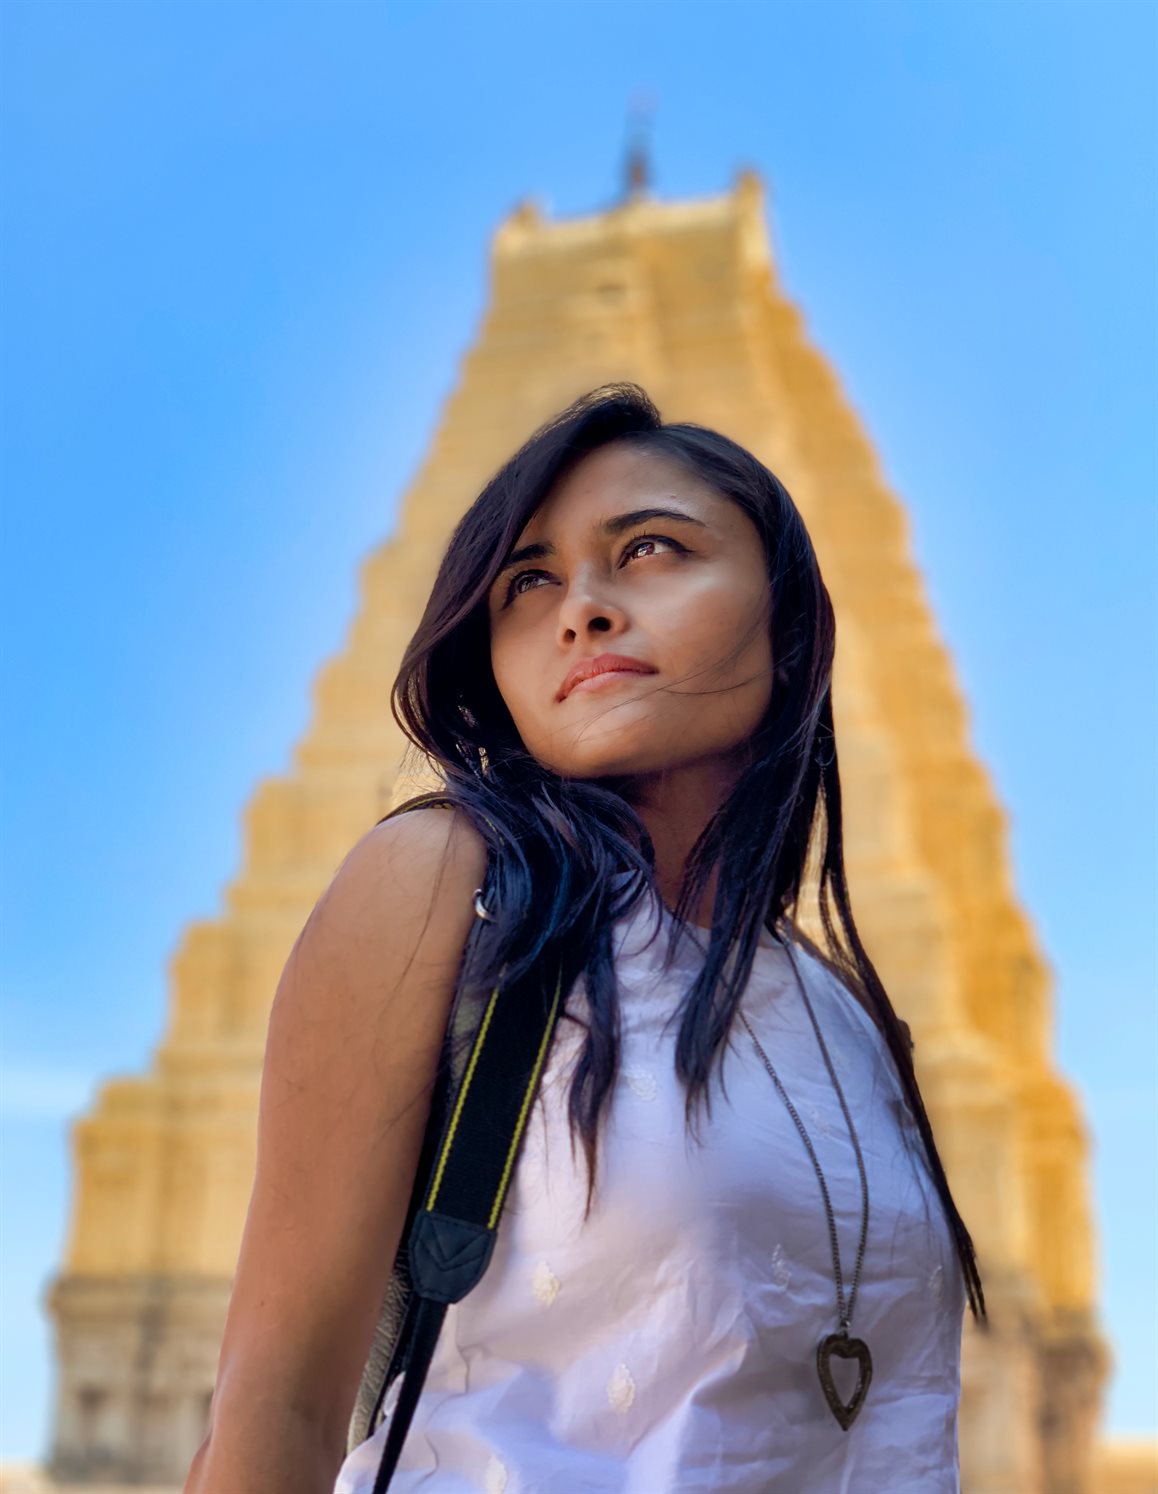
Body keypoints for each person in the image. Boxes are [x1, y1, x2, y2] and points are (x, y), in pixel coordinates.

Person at [184, 384, 986, 1494]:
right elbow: (280, 1402)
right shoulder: (441, 883)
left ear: (787, 616)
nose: (583, 610)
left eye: (650, 549)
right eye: (529, 582)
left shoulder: (848, 1015)